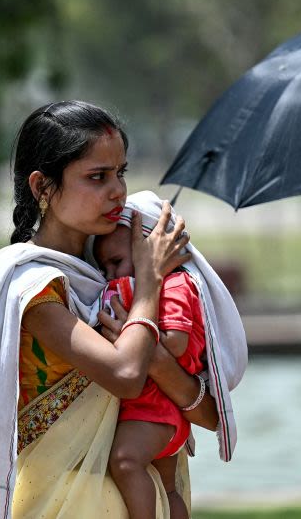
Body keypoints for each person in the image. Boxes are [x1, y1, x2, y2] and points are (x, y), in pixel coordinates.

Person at [0, 101, 223, 519]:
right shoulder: (30, 288)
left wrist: (154, 347)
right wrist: (150, 283)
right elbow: (125, 377)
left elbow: (209, 414)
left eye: (121, 173)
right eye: (97, 177)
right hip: (58, 503)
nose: (117, 190)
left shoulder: (115, 273)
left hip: (138, 496)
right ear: (42, 187)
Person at [91, 191, 245, 519]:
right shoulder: (137, 290)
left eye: (116, 262)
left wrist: (134, 329)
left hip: (156, 409)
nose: (109, 274)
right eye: (103, 267)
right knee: (167, 487)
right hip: (153, 407)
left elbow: (175, 342)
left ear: (150, 252)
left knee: (125, 460)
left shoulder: (173, 286)